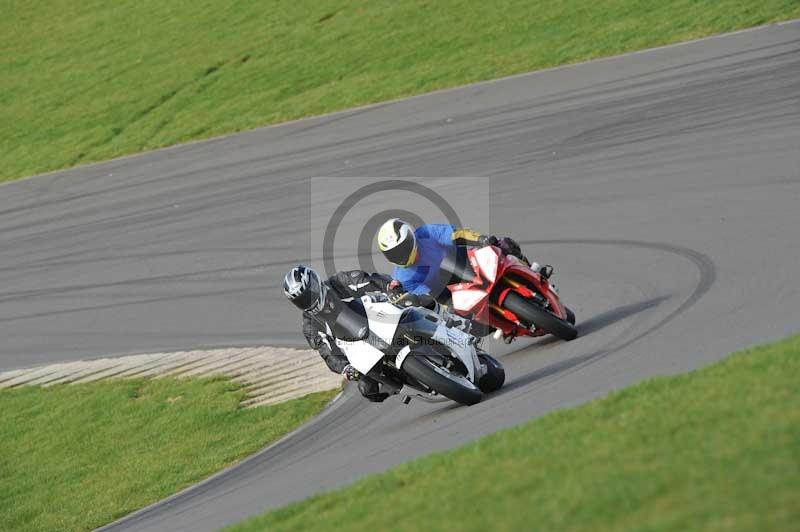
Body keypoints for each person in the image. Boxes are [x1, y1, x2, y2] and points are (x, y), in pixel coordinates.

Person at [377, 219, 551, 338]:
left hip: (464, 262)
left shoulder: (425, 233)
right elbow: (427, 297)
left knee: (503, 244)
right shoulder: (402, 276)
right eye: (393, 253)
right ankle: (499, 324)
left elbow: (456, 235)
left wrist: (482, 239)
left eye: (401, 248)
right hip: (446, 290)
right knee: (466, 325)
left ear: (411, 237)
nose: (400, 255)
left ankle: (532, 271)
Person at [283, 265, 394, 402]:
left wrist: (389, 286)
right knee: (367, 389)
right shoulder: (310, 325)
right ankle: (403, 386)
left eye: (309, 293)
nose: (308, 300)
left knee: (419, 303)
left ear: (316, 283)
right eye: (302, 300)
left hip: (379, 319)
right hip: (361, 347)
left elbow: (366, 280)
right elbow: (327, 352)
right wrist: (345, 368)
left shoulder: (338, 282)